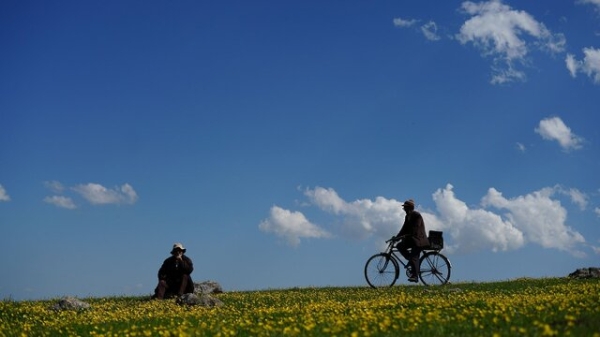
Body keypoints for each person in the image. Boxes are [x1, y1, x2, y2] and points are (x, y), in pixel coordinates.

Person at [394, 199, 429, 283]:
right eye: (404, 208)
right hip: (412, 240)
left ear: (410, 208)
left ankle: (415, 276)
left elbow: (416, 228)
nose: (404, 209)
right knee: (399, 245)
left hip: (419, 240)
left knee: (414, 256)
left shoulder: (416, 215)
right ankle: (411, 260)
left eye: (405, 208)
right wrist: (396, 237)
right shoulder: (407, 216)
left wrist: (406, 235)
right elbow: (404, 229)